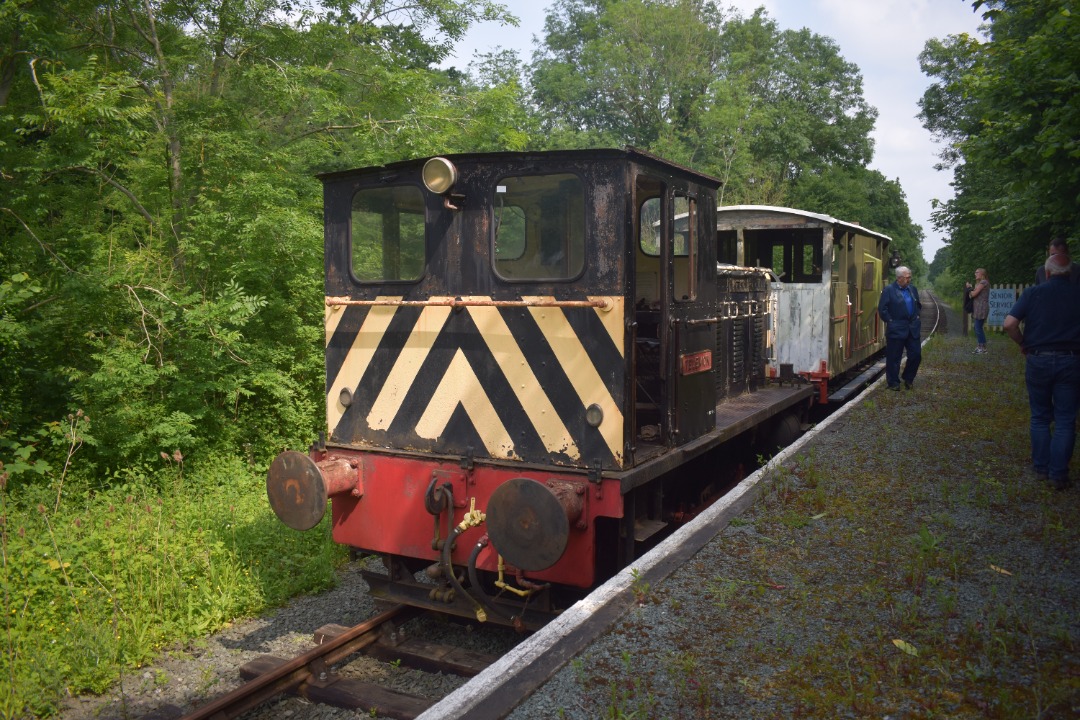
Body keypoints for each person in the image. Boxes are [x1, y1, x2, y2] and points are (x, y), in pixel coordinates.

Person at [1004, 254, 1080, 490]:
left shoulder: (1033, 293)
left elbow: (1009, 324)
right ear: (1071, 273)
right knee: (1066, 419)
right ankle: (1058, 474)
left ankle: (1040, 467)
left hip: (1038, 359)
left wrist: (1023, 343)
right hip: (1071, 360)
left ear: (1046, 273)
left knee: (1039, 416)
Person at [878, 266, 922, 391]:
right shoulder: (889, 290)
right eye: (907, 277)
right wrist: (890, 321)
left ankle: (908, 378)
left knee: (916, 355)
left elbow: (918, 304)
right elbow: (882, 309)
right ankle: (893, 383)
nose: (909, 279)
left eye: (910, 277)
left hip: (912, 327)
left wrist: (917, 315)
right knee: (894, 357)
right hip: (896, 328)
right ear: (899, 278)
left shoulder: (912, 289)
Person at [965, 268, 990, 354]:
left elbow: (973, 294)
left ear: (982, 274)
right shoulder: (980, 283)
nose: (975, 274)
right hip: (978, 308)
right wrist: (971, 290)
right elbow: (972, 294)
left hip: (981, 308)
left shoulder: (983, 282)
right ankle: (980, 346)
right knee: (977, 327)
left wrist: (969, 288)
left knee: (978, 327)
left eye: (977, 272)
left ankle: (982, 348)